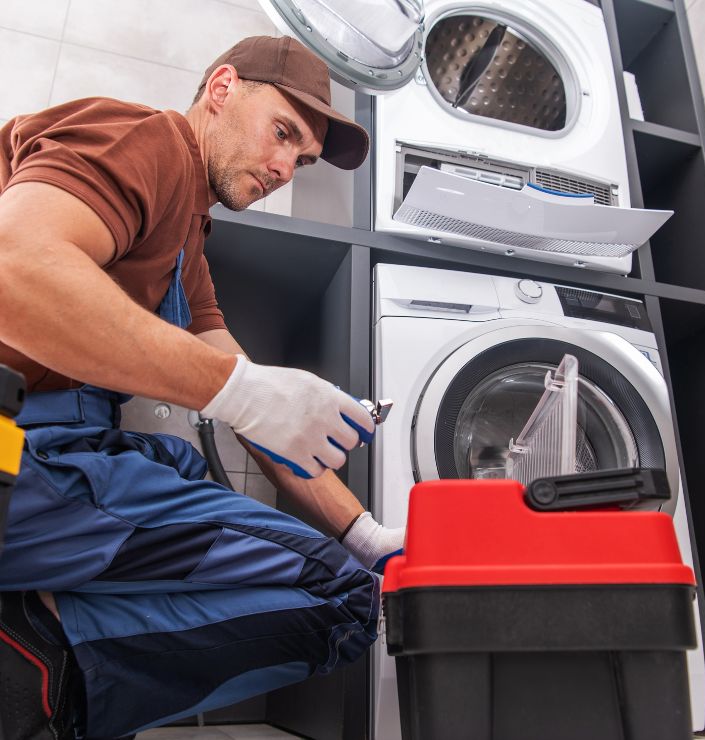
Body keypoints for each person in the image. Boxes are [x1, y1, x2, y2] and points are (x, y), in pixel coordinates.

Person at [0, 35, 403, 740]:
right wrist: (243, 392)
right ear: (221, 89)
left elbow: (258, 413)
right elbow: (15, 273)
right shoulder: (145, 139)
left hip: (52, 462)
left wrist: (369, 535)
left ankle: (42, 665)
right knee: (338, 597)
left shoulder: (188, 246)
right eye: (283, 133)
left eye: (303, 159)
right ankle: (26, 672)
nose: (286, 167)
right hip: (17, 455)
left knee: (344, 584)